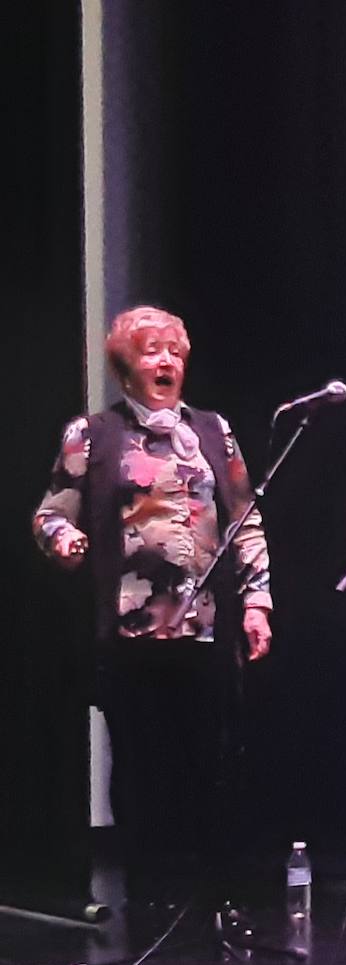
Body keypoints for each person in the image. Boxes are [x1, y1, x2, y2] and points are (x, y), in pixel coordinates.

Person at [32, 305, 272, 911]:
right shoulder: (93, 434)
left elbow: (245, 520)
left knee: (214, 763)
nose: (166, 361)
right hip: (131, 631)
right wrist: (65, 540)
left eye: (174, 351)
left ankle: (220, 899)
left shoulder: (215, 433)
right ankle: (148, 898)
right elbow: (50, 513)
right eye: (150, 352)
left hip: (206, 629)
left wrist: (258, 602)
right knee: (140, 768)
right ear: (125, 368)